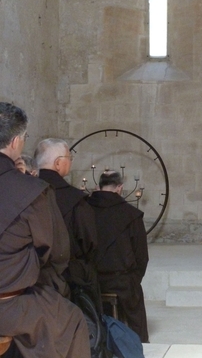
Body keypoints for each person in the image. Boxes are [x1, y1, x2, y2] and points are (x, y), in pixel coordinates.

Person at [0, 102, 90, 357]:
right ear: (17, 141)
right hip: (9, 304)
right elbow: (57, 252)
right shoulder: (32, 191)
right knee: (71, 321)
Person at [34, 138, 99, 304]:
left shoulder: (24, 192)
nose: (70, 161)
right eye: (69, 157)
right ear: (57, 163)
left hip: (30, 275)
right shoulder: (76, 200)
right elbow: (89, 243)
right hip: (69, 279)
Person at [88, 170, 150, 343]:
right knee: (134, 305)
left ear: (98, 187)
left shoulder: (85, 209)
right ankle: (137, 345)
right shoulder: (130, 214)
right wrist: (134, 279)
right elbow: (141, 256)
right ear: (120, 188)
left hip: (93, 281)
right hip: (122, 281)